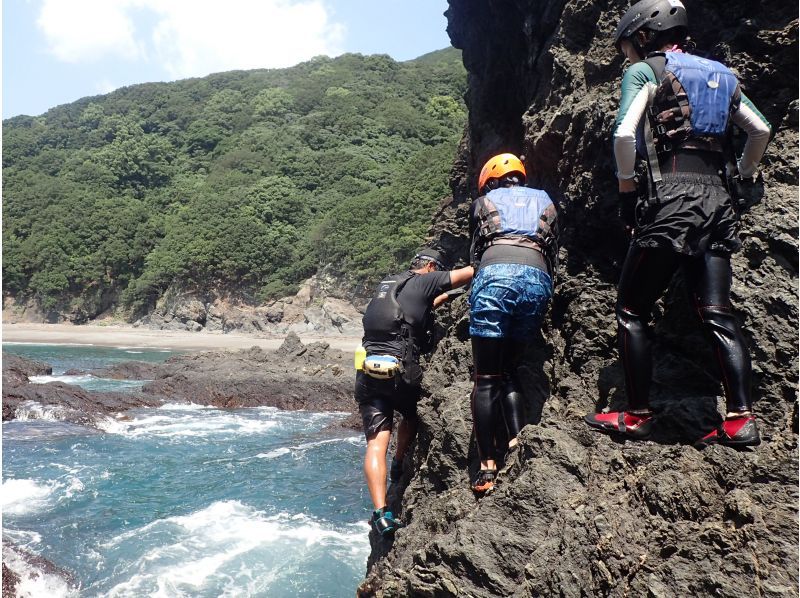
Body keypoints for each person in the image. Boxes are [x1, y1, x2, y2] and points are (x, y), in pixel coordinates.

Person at [584, 0, 771, 447]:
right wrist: (744, 174)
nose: (627, 55)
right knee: (717, 312)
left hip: (671, 199)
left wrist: (627, 190)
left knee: (631, 310)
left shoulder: (645, 71)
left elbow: (624, 134)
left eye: (628, 45)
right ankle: (740, 419)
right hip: (719, 202)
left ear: (644, 35)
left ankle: (638, 414)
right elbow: (760, 130)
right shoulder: (724, 75)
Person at [356, 248, 473, 536]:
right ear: (431, 266)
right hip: (401, 371)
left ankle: (381, 514)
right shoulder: (426, 280)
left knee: (374, 443)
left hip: (368, 371)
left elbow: (414, 307)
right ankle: (399, 463)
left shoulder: (388, 285)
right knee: (411, 416)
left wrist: (440, 300)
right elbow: (469, 273)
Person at [468, 153, 559, 494]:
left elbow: (476, 252)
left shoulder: (484, 201)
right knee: (511, 369)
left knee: (486, 379)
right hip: (537, 281)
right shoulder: (546, 200)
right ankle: (518, 442)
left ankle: (487, 466)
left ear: (490, 180)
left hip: (496, 277)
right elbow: (553, 250)